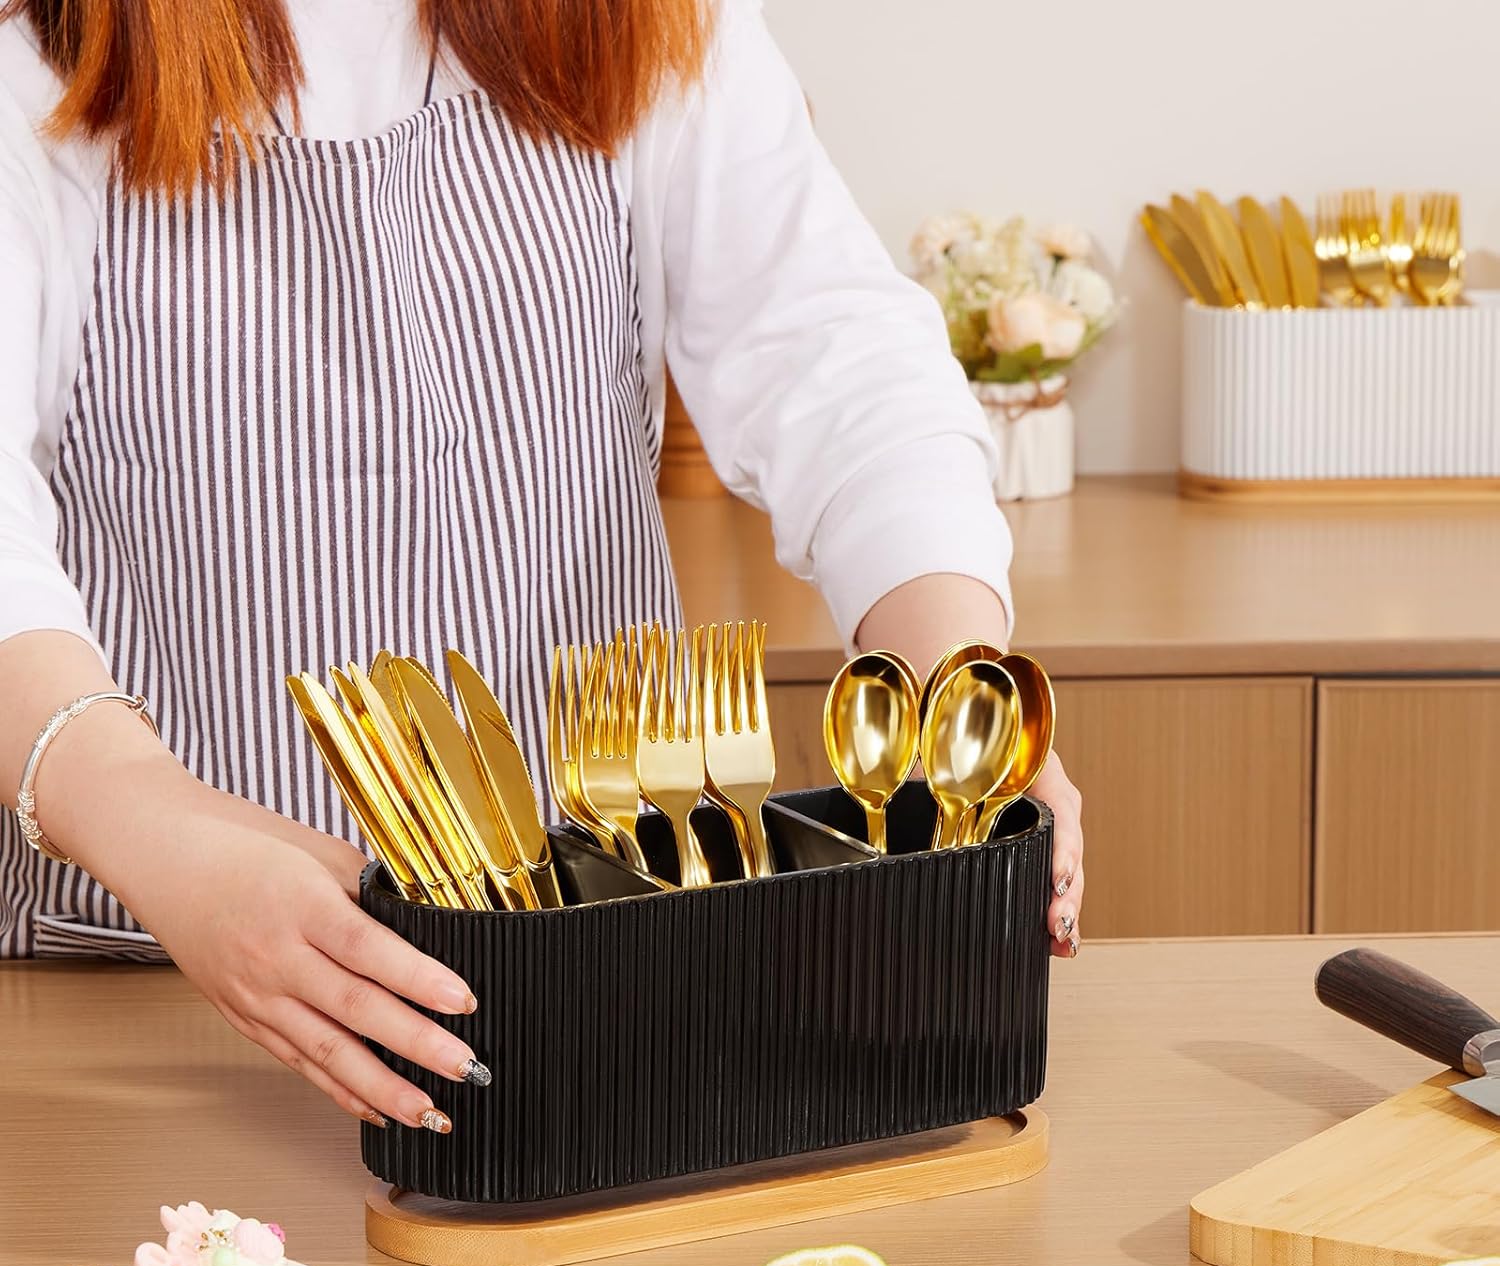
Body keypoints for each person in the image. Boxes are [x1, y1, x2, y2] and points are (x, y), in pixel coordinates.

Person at [0, 0, 1085, 1133]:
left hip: (618, 975)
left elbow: (837, 358)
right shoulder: (37, 57)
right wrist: (155, 827)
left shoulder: (651, 22)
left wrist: (956, 682)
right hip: (157, 1002)